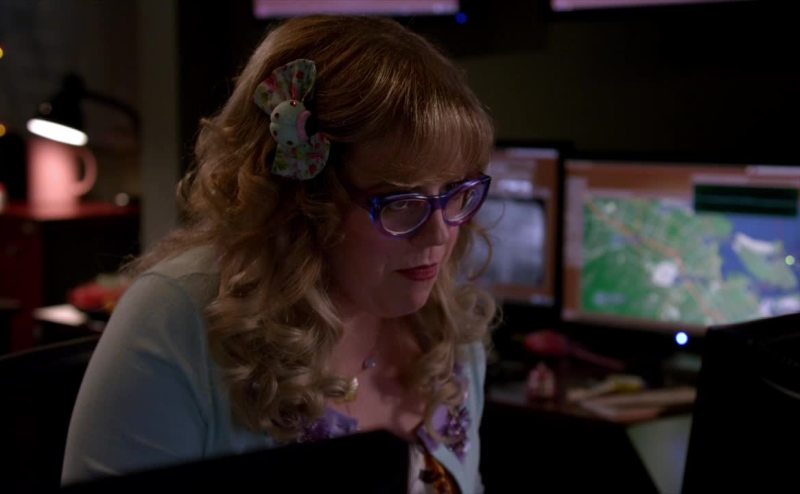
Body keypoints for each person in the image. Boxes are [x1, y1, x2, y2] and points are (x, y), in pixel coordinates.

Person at [62, 15, 497, 494]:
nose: (439, 233)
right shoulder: (177, 320)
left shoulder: (447, 327)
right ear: (304, 201)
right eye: (401, 201)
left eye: (455, 192)